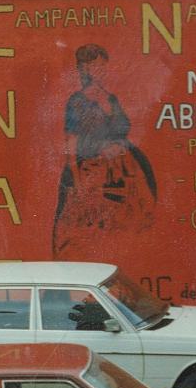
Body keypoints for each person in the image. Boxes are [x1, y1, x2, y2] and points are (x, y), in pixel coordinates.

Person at [52, 44, 156, 258]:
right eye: (96, 66)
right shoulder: (77, 101)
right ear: (85, 69)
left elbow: (123, 130)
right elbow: (71, 141)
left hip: (124, 172)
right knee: (85, 231)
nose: (101, 71)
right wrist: (77, 178)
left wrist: (119, 146)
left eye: (103, 66)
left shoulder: (111, 99)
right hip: (93, 172)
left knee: (129, 225)